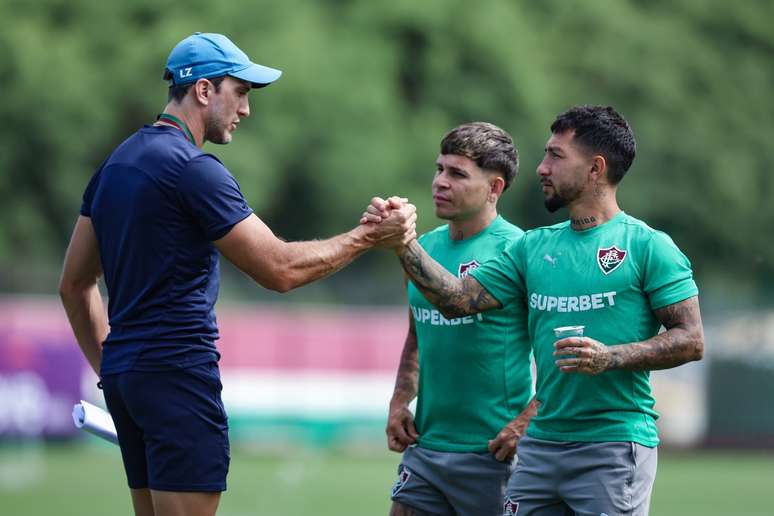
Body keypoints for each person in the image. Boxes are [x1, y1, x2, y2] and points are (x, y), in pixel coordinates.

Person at [58, 32, 415, 516]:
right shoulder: (194, 169)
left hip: (128, 378)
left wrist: (114, 368)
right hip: (178, 374)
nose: (245, 109)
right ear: (204, 90)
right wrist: (369, 236)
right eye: (240, 92)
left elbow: (73, 284)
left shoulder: (115, 164)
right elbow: (279, 269)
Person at [367, 105, 704, 515]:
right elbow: (456, 301)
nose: (542, 168)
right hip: (540, 448)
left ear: (595, 168)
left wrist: (610, 357)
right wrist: (404, 242)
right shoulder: (533, 247)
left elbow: (691, 340)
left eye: (555, 156)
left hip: (611, 443)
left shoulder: (648, 246)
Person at [369, 123, 537, 516]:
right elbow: (417, 332)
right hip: (426, 447)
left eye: (457, 174)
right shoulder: (424, 247)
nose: (440, 182)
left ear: (494, 188)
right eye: (439, 168)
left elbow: (555, 350)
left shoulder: (520, 250)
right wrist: (399, 401)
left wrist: (529, 420)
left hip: (493, 452)